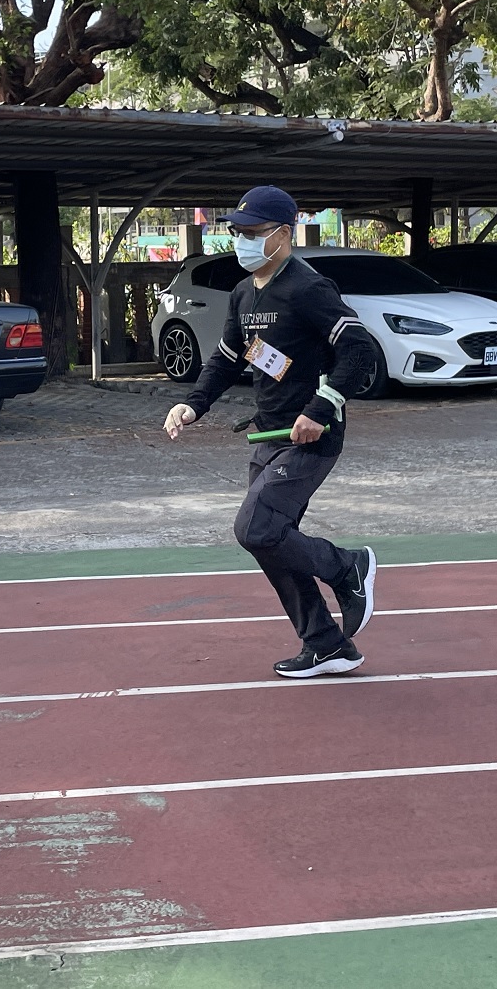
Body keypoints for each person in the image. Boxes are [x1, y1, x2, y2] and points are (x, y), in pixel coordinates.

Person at [164, 185, 380, 678]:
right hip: (267, 434)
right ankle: (326, 644)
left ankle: (347, 567)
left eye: (252, 232)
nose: (241, 240)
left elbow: (359, 349)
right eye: (237, 231)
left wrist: (320, 409)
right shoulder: (244, 293)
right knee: (271, 539)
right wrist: (192, 404)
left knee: (255, 528)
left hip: (311, 438)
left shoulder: (308, 288)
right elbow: (226, 359)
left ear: (283, 234)